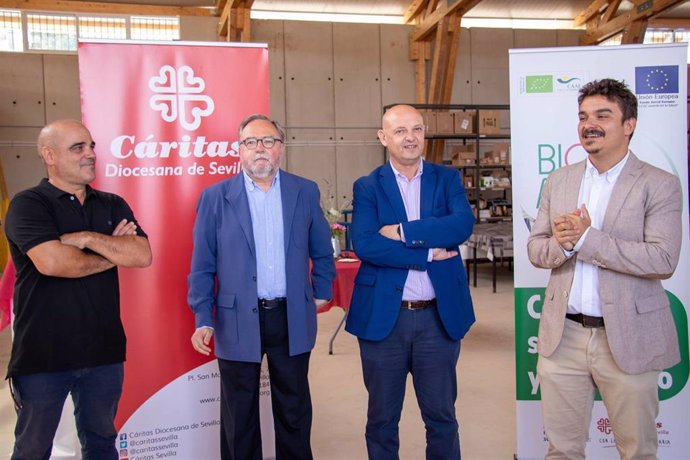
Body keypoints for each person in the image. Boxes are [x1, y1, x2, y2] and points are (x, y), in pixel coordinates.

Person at [527, 78, 682, 460]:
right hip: (563, 336)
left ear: (629, 125)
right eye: (583, 117)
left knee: (638, 451)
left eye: (602, 115)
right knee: (561, 450)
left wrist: (586, 240)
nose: (588, 124)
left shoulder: (659, 185)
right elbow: (535, 248)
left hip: (630, 337)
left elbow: (662, 259)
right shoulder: (560, 180)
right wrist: (563, 244)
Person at [187, 114, 336, 460]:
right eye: (251, 142)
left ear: (281, 149)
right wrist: (202, 316)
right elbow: (202, 264)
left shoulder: (304, 190)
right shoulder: (215, 198)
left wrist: (322, 289)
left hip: (291, 316)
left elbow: (321, 248)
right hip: (236, 319)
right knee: (239, 416)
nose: (260, 149)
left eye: (268, 141)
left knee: (294, 411)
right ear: (238, 150)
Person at [4, 119, 153, 460]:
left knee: (101, 444)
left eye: (91, 146)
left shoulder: (112, 203)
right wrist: (113, 251)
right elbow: (54, 263)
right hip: (44, 354)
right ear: (49, 155)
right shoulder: (29, 205)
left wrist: (86, 239)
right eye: (78, 148)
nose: (90, 154)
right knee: (32, 448)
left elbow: (142, 255)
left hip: (103, 352)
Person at [346, 104, 475, 459]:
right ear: (383, 137)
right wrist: (427, 253)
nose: (410, 138)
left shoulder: (446, 179)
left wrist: (403, 231)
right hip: (385, 321)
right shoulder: (368, 186)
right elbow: (367, 244)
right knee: (382, 419)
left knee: (442, 418)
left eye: (416, 129)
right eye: (400, 131)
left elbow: (461, 226)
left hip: (438, 318)